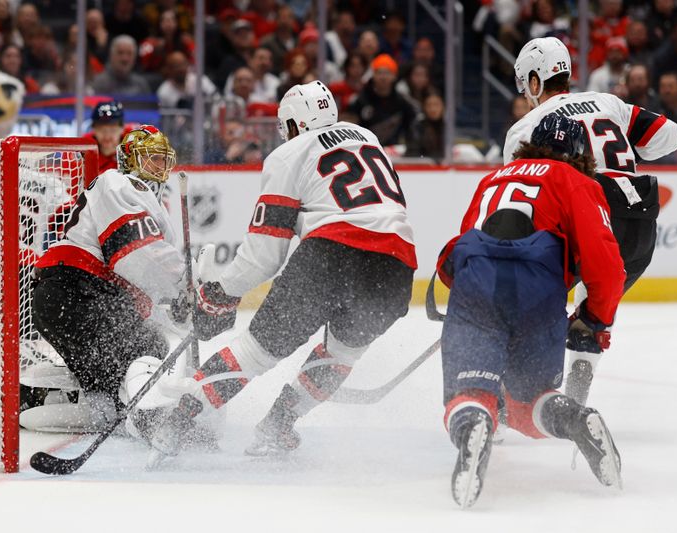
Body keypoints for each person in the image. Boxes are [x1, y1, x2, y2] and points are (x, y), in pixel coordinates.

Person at [145, 80, 416, 463]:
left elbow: (264, 255)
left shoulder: (291, 152)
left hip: (331, 256)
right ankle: (278, 426)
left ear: (295, 124)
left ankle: (176, 424)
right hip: (396, 266)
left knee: (253, 353)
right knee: (341, 353)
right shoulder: (367, 137)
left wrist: (221, 291)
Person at [437, 113, 625, 508]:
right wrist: (595, 319)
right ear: (579, 154)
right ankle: (573, 420)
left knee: (469, 393)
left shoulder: (494, 178)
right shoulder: (579, 182)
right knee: (527, 403)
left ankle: (473, 423)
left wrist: (463, 295)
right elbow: (607, 267)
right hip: (538, 291)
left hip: (478, 284)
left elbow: (463, 245)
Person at [504, 36, 677, 407]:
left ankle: (509, 401)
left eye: (526, 86)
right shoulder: (609, 103)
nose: (526, 94)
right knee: (594, 307)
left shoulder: (526, 127)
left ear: (535, 81)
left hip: (591, 220)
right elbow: (671, 135)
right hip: (641, 230)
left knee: (526, 305)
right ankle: (577, 395)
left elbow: (517, 205)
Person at [31, 125, 186, 433]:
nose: (159, 166)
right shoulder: (119, 182)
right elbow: (134, 256)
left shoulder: (149, 203)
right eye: (151, 158)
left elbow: (146, 281)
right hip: (78, 292)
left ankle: (76, 403)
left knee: (109, 371)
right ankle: (147, 418)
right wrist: (185, 284)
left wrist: (178, 305)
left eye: (162, 158)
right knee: (149, 344)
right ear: (129, 159)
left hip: (66, 298)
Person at [85, 100, 125, 174]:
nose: (107, 136)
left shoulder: (134, 149)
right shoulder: (83, 151)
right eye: (101, 129)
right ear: (94, 130)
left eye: (112, 130)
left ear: (122, 129)